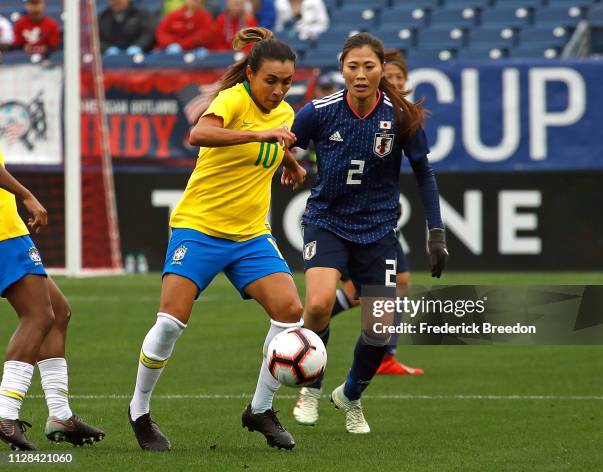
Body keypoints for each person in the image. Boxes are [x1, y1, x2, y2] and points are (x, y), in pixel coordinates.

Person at [127, 27, 307, 452]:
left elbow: (274, 138)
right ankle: (139, 410)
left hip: (249, 235)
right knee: (170, 322)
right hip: (200, 228)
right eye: (271, 81)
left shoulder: (285, 113)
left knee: (290, 313)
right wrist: (261, 137)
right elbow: (200, 134)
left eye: (287, 82)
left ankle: (260, 409)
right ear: (250, 73)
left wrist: (290, 163)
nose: (279, 90)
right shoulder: (232, 100)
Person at [289, 33, 448, 432]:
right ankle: (310, 387)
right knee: (320, 304)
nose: (360, 74)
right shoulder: (318, 111)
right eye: (352, 66)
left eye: (368, 66)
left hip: (378, 230)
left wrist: (436, 232)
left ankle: (350, 397)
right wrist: (290, 162)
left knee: (379, 332)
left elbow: (425, 174)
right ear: (342, 69)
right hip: (326, 222)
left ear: (381, 69)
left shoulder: (402, 115)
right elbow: (289, 147)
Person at [0, 148, 105, 451]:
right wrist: (27, 194)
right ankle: (6, 415)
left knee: (58, 312)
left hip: (10, 230)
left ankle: (60, 415)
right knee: (38, 316)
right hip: (5, 233)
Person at [328, 49, 425, 377]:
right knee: (370, 288)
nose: (397, 82)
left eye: (401, 78)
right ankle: (308, 324)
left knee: (398, 282)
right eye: (392, 78)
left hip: (379, 219)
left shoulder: (400, 116)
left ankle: (385, 354)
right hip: (349, 219)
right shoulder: (354, 112)